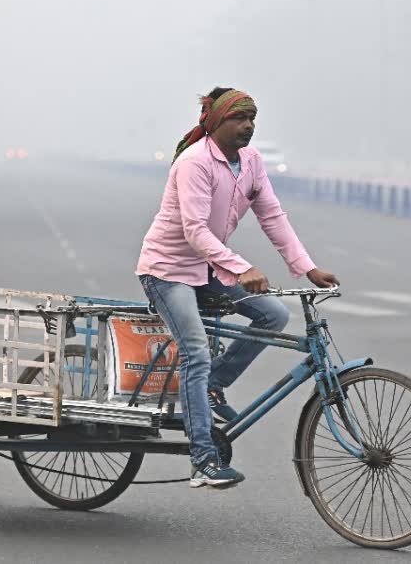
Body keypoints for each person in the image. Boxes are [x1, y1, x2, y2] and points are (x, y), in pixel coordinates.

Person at [136, 86, 340, 489]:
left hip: (208, 267)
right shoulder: (195, 163)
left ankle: (215, 383)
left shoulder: (251, 162)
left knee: (274, 314)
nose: (247, 126)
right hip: (168, 269)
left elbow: (273, 216)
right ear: (215, 122)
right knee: (193, 349)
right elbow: (194, 230)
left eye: (252, 119)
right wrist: (240, 267)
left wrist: (307, 267)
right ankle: (203, 459)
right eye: (238, 119)